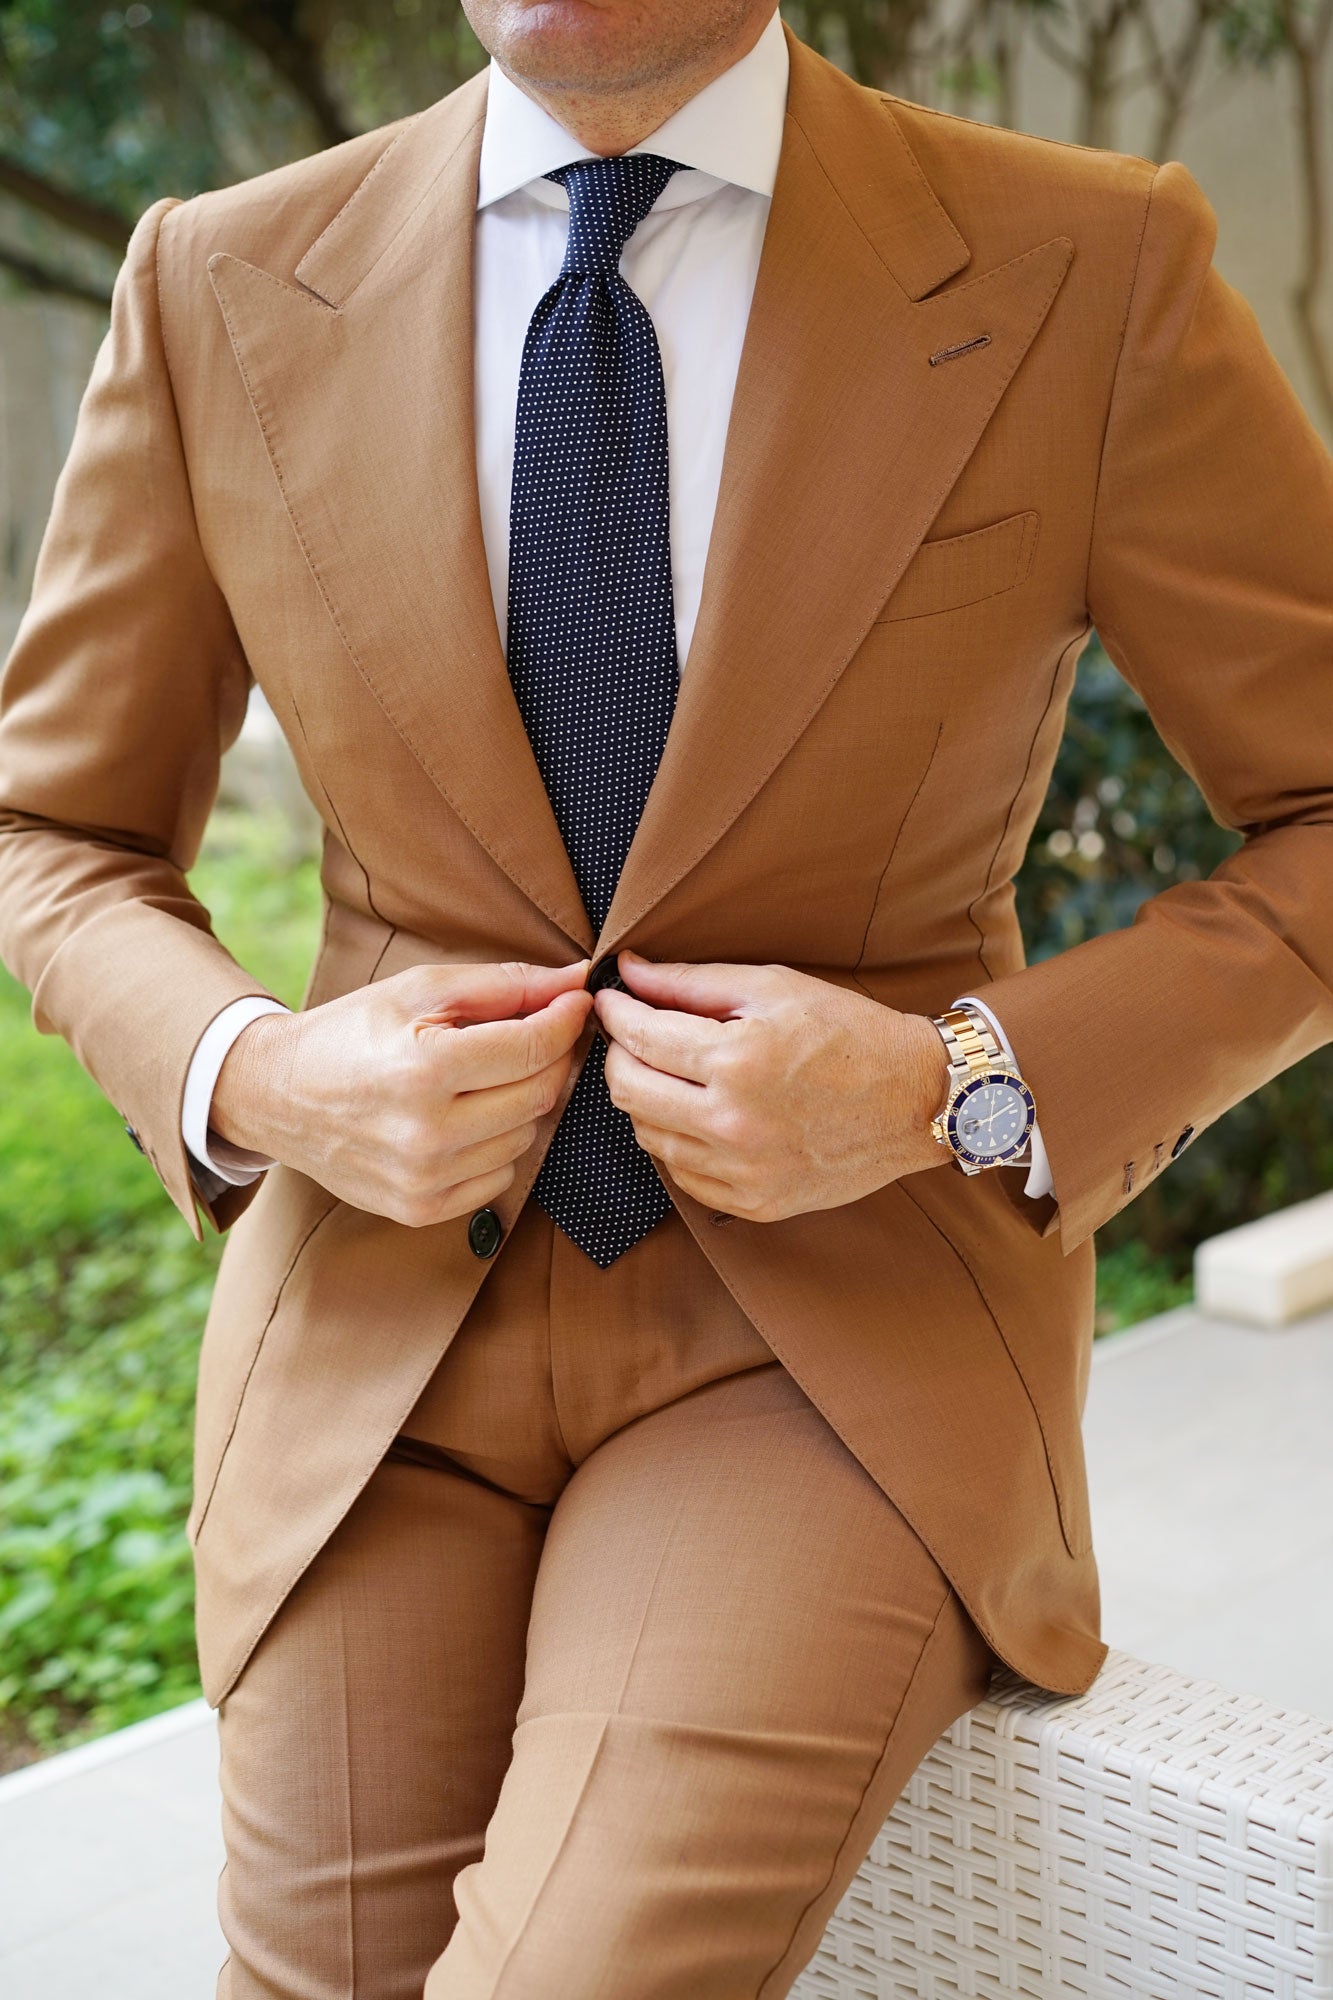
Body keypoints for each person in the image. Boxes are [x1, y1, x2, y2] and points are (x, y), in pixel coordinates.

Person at [1, 0, 1330, 1992]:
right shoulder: (219, 276)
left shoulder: (1086, 260)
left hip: (829, 1344)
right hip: (377, 1339)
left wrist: (950, 1086)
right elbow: (52, 835)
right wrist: (262, 1074)